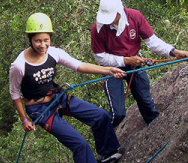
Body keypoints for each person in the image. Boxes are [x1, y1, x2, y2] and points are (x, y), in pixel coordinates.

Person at [10, 12, 126, 163]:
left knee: (101, 116)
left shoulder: (53, 53)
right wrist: (24, 120)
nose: (43, 45)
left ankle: (109, 153)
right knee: (80, 144)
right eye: (38, 41)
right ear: (30, 40)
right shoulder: (19, 65)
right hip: (40, 109)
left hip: (59, 98)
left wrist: (109, 70)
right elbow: (14, 92)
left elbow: (79, 66)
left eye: (46, 40)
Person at [91, 0, 188, 127]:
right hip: (111, 68)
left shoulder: (135, 17)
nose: (109, 21)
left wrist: (174, 52)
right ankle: (104, 136)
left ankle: (156, 130)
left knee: (146, 102)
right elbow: (100, 57)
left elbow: (152, 41)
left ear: (119, 12)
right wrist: (126, 60)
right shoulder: (98, 29)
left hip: (135, 63)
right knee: (118, 113)